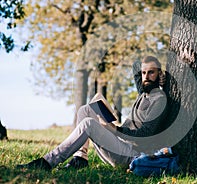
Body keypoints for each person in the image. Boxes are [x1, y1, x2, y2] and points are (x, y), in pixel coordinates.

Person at [17, 56, 168, 170]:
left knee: (88, 124)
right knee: (85, 109)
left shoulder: (159, 99)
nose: (146, 77)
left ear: (158, 74)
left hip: (132, 154)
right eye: (144, 73)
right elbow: (136, 65)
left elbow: (146, 134)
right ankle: (80, 158)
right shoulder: (144, 92)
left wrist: (114, 129)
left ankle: (47, 162)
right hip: (121, 143)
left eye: (151, 73)